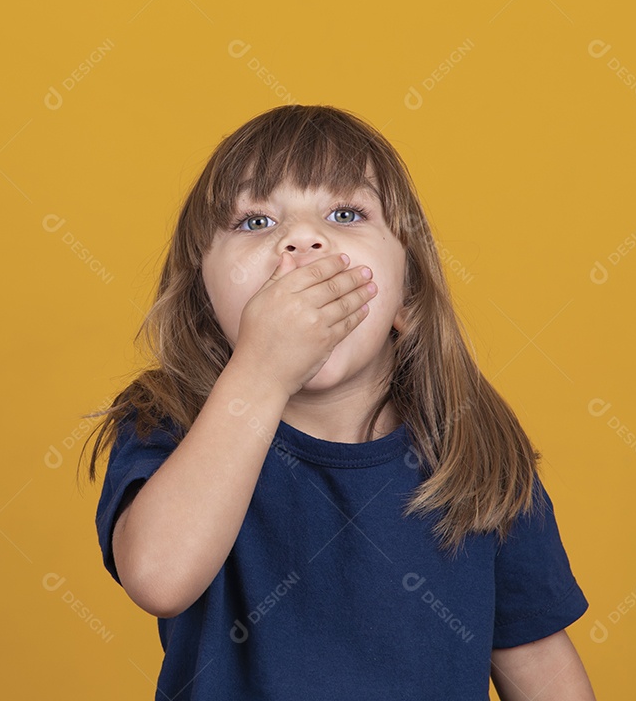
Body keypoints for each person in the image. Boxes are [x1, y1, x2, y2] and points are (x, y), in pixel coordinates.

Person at [78, 104, 595, 700]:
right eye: (254, 222)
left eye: (345, 213)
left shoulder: (472, 453)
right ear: (203, 303)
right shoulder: (170, 424)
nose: (301, 238)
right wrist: (262, 370)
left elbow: (542, 669)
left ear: (409, 298)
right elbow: (159, 577)